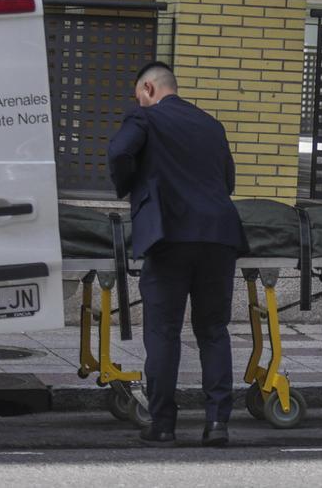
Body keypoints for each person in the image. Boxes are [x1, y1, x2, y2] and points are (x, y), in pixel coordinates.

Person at [108, 61, 248, 446]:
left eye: (139, 95)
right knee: (214, 332)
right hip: (219, 237)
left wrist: (136, 189)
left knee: (163, 332)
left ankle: (163, 425)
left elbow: (119, 153)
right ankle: (217, 423)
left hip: (169, 236)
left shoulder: (145, 118)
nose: (139, 101)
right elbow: (228, 180)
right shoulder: (211, 124)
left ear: (149, 89)